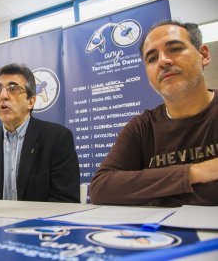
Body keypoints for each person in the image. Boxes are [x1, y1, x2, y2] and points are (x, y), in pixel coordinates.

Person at [90, 20, 218, 206]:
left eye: (175, 48)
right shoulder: (142, 127)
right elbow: (101, 189)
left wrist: (154, 189)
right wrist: (197, 172)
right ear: (149, 78)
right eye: (152, 59)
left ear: (203, 55)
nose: (163, 61)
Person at [0, 63, 80, 202]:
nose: (3, 96)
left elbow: (65, 200)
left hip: (38, 223)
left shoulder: (57, 138)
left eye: (13, 88)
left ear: (31, 101)